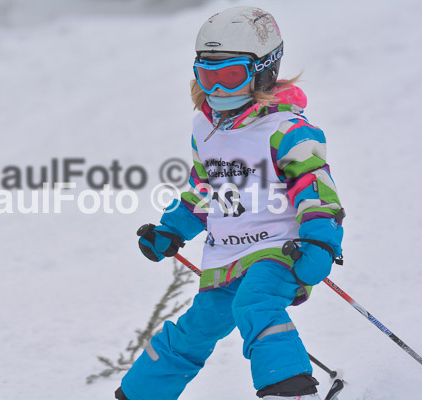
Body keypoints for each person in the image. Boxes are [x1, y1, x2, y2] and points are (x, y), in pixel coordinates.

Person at [115, 6, 345, 400]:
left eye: (230, 75)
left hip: (280, 247)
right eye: (208, 76)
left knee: (255, 304)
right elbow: (204, 190)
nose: (217, 89)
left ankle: (291, 393)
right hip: (227, 254)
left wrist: (322, 241)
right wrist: (171, 229)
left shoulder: (287, 129)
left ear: (264, 69)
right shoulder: (206, 128)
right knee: (197, 327)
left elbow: (316, 190)